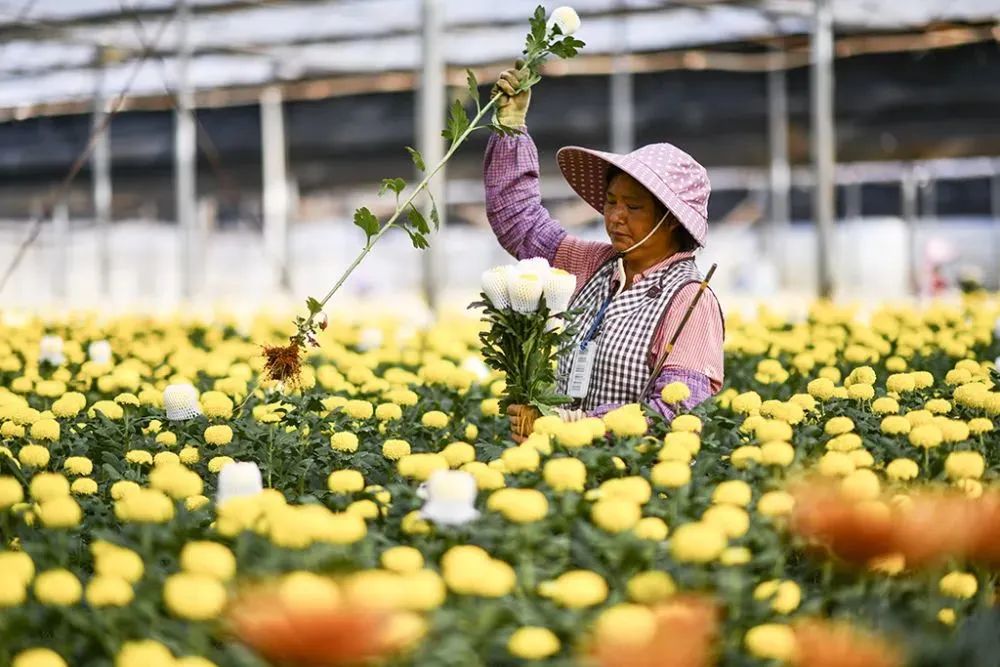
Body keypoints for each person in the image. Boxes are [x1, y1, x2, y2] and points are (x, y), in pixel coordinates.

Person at [483, 65, 725, 441]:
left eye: (634, 207)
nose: (615, 217)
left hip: (633, 482)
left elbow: (676, 412)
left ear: (673, 220)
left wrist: (568, 425)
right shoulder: (592, 265)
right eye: (611, 202)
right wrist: (511, 127)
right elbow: (520, 222)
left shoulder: (690, 301)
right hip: (562, 475)